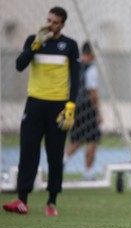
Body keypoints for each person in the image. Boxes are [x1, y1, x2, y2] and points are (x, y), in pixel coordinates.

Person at [2, 6, 79, 216]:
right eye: (48, 20)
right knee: (28, 151)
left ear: (62, 25)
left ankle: (51, 201)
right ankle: (22, 200)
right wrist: (35, 44)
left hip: (58, 108)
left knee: (55, 156)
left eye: (54, 22)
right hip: (35, 104)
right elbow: (19, 65)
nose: (49, 25)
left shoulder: (70, 45)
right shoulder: (32, 40)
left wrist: (71, 105)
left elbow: (76, 77)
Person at [64, 41, 102, 181]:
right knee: (92, 140)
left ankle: (62, 161)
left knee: (76, 139)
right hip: (86, 106)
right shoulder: (91, 69)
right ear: (91, 52)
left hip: (72, 105)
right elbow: (92, 91)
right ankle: (88, 172)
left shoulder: (73, 65)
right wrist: (97, 112)